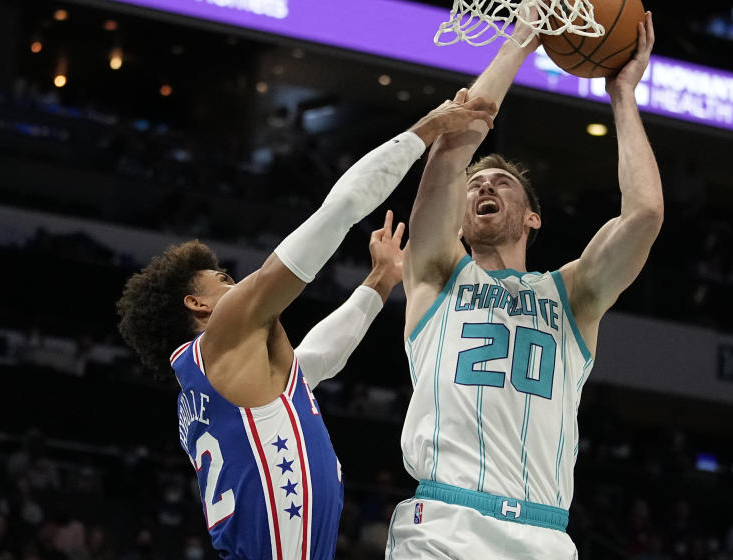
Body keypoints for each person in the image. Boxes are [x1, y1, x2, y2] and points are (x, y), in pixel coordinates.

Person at [115, 95, 496, 560]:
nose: (240, 285)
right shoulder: (224, 333)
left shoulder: (212, 387)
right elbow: (339, 211)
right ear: (197, 305)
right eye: (225, 281)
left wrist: (379, 281)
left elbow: (314, 361)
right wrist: (424, 130)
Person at [387, 7, 663, 559]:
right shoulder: (436, 273)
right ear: (461, 219)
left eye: (502, 183)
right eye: (475, 184)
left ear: (533, 217)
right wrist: (520, 41)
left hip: (542, 534)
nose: (484, 185)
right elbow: (450, 149)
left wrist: (623, 97)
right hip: (444, 521)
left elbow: (645, 214)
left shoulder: (574, 296)